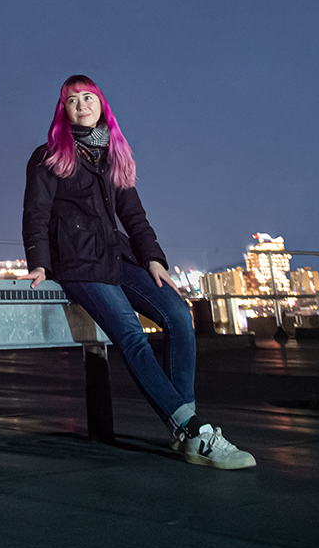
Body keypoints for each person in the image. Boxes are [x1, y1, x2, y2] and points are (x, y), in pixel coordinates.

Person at [22, 76, 255, 469]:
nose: (81, 105)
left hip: (118, 257)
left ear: (101, 105)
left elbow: (133, 215)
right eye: (72, 100)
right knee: (131, 335)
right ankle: (194, 431)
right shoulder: (48, 156)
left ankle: (186, 428)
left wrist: (153, 259)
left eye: (88, 98)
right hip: (78, 264)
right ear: (63, 109)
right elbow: (36, 214)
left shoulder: (112, 155)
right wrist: (40, 264)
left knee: (179, 316)